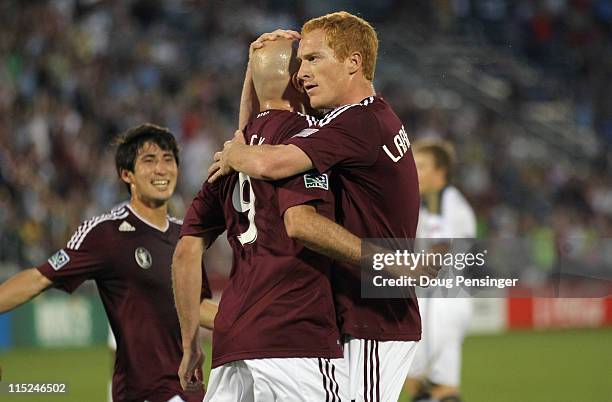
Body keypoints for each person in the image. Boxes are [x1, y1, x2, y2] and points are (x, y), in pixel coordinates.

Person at [208, 11, 424, 402]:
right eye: (298, 61)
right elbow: (261, 133)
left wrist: (235, 154)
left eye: (312, 59)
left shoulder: (355, 124)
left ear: (353, 62)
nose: (300, 73)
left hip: (372, 316)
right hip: (363, 310)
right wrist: (254, 72)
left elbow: (269, 161)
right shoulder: (365, 116)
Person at [173, 38, 346, 401]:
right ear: (300, 80)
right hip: (296, 336)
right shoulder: (305, 142)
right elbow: (301, 223)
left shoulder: (231, 153)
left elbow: (186, 252)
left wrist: (190, 342)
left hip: (233, 343)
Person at [0, 124, 217, 402]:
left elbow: (195, 307)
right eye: (149, 161)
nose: (161, 169)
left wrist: (254, 326)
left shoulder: (185, 237)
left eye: (168, 159)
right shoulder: (106, 233)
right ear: (127, 175)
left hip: (189, 390)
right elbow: (39, 277)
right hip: (145, 392)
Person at [404, 139, 477, 402]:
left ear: (440, 172)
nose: (415, 171)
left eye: (421, 166)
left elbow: (441, 245)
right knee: (418, 384)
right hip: (434, 299)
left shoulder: (441, 201)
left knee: (442, 388)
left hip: (441, 301)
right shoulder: (434, 202)